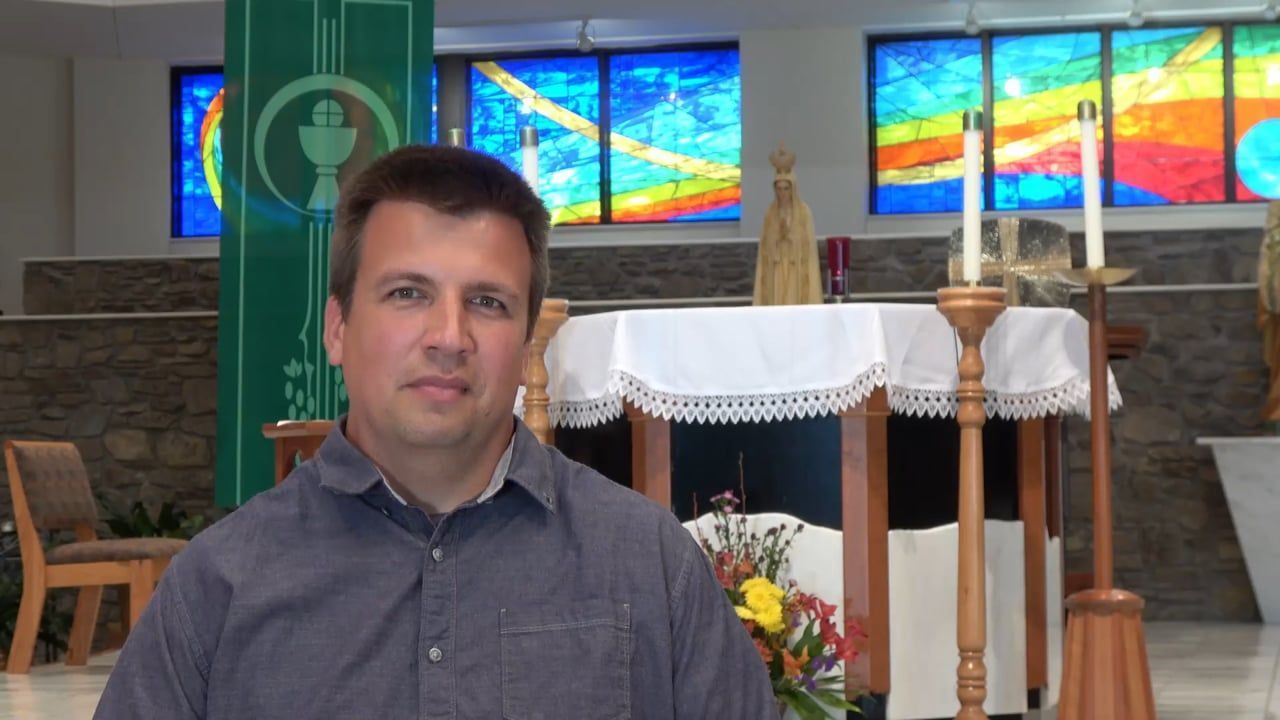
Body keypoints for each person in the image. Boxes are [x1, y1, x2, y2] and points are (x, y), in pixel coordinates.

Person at [94, 145, 776, 719]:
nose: (449, 337)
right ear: (337, 329)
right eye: (407, 293)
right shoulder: (219, 585)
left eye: (487, 302)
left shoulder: (646, 563)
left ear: (528, 341)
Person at [752, 142, 823, 306]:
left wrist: (791, 238)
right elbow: (765, 246)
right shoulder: (770, 213)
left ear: (793, 189)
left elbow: (808, 245)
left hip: (795, 268)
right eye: (779, 188)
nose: (782, 193)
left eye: (786, 188)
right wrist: (776, 241)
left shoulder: (803, 212)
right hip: (776, 269)